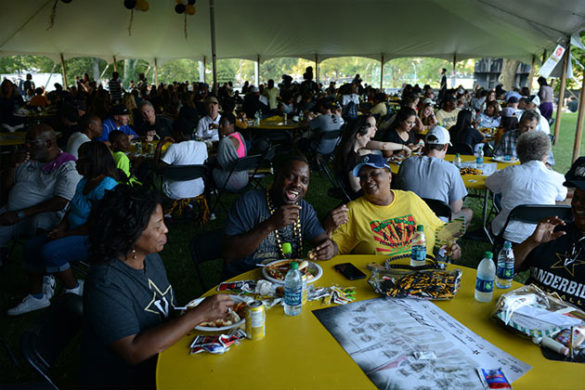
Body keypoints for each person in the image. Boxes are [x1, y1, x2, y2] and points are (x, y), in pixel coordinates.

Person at [81, 185, 235, 389]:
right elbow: (133, 351)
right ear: (130, 233)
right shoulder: (106, 284)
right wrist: (198, 315)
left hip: (169, 351)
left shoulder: (149, 258)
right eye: (157, 225)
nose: (166, 229)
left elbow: (168, 311)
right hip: (137, 377)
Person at [7, 142, 119, 315]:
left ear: (94, 161)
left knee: (50, 251)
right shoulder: (84, 181)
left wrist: (65, 234)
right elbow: (71, 209)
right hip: (72, 231)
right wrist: (61, 227)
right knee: (31, 247)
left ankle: (74, 289)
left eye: (82, 158)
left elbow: (97, 224)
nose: (77, 162)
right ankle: (37, 297)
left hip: (95, 237)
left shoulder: (106, 185)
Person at [222, 155, 340, 276]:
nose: (297, 184)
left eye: (304, 181)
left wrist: (331, 248)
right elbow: (229, 252)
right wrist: (270, 225)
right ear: (277, 176)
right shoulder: (250, 202)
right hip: (246, 280)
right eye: (290, 177)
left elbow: (322, 240)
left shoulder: (304, 209)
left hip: (287, 281)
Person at [331, 154, 461, 259]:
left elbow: (440, 229)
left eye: (374, 174)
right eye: (363, 177)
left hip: (424, 273)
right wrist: (329, 230)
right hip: (379, 279)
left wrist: (452, 245)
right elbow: (335, 247)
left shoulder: (410, 198)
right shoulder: (353, 210)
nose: (368, 180)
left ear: (389, 176)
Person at [0, 125, 81, 264]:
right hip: (13, 213)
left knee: (42, 225)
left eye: (32, 142)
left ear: (48, 143)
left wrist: (20, 214)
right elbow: (5, 190)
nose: (26, 146)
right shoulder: (26, 159)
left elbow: (60, 202)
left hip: (42, 216)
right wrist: (12, 167)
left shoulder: (67, 167)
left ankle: (46, 274)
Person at [512, 157, 585, 309]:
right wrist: (531, 243)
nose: (577, 204)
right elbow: (507, 269)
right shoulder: (556, 231)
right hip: (525, 316)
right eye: (576, 197)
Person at [486, 131, 566, 243]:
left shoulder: (508, 172)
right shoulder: (557, 178)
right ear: (546, 156)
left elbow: (490, 183)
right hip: (543, 234)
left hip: (508, 232)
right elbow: (561, 196)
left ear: (518, 153)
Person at [397, 126, 472, 224]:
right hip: (437, 226)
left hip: (408, 221)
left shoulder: (406, 163)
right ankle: (450, 239)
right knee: (468, 213)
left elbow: (398, 192)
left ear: (425, 145)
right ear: (445, 147)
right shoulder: (451, 169)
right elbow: (456, 208)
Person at [334, 116, 410, 198]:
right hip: (363, 198)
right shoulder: (351, 158)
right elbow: (357, 188)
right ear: (359, 135)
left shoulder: (353, 149)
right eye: (367, 137)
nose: (369, 141)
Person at [157, 127, 208, 200]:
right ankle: (189, 205)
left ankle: (158, 205)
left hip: (175, 191)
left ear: (180, 133)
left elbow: (158, 168)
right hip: (197, 189)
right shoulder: (203, 145)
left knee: (155, 176)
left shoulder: (174, 147)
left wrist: (160, 145)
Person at [212, 113, 248, 192]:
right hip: (244, 178)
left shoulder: (225, 142)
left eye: (223, 124)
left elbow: (220, 164)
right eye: (219, 124)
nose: (220, 126)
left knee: (211, 168)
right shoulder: (239, 135)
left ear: (232, 125)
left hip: (231, 181)